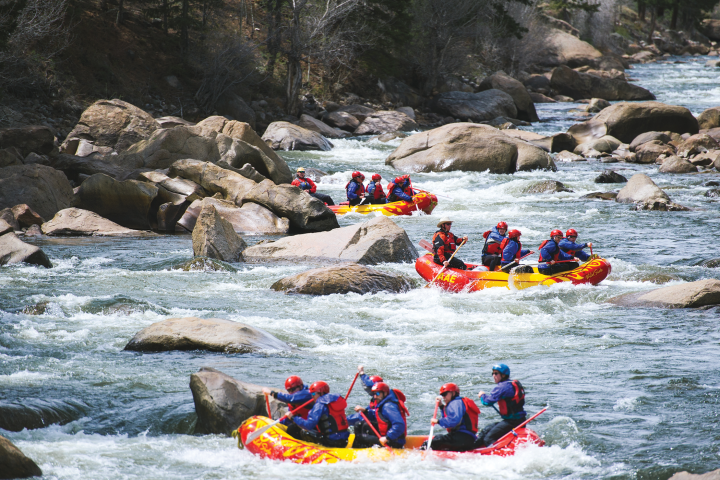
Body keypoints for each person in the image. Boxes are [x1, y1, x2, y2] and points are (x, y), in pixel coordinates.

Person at [475, 364, 526, 448]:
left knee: (488, 438)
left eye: (496, 373)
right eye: (493, 373)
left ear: (503, 375)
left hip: (513, 422)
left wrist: (482, 395)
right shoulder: (512, 383)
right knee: (486, 430)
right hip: (519, 420)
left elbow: (487, 402)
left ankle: (497, 453)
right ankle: (472, 447)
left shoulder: (503, 387)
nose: (493, 376)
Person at [287, 381, 350, 447]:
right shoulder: (335, 401)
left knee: (303, 431)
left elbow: (308, 426)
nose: (312, 396)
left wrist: (293, 418)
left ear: (321, 393)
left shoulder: (319, 405)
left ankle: (300, 449)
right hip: (344, 441)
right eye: (311, 394)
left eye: (313, 394)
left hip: (330, 442)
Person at [422, 383, 479, 452]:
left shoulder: (455, 403)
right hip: (467, 439)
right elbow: (449, 417)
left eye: (445, 394)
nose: (443, 397)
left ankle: (419, 455)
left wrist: (438, 421)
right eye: (442, 395)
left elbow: (454, 420)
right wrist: (441, 406)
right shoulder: (457, 402)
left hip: (462, 438)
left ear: (453, 393)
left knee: (429, 443)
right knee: (437, 438)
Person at [352, 382, 409, 449]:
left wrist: (387, 437)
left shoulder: (388, 406)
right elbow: (377, 416)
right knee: (359, 424)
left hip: (392, 441)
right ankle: (364, 448)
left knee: (360, 437)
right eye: (374, 394)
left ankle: (357, 451)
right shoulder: (383, 404)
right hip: (387, 436)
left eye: (378, 393)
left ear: (385, 393)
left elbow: (399, 424)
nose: (375, 396)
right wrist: (365, 411)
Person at [347, 365, 384, 434]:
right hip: (376, 425)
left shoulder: (384, 401)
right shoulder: (375, 399)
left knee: (357, 422)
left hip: (382, 430)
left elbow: (377, 415)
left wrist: (362, 373)